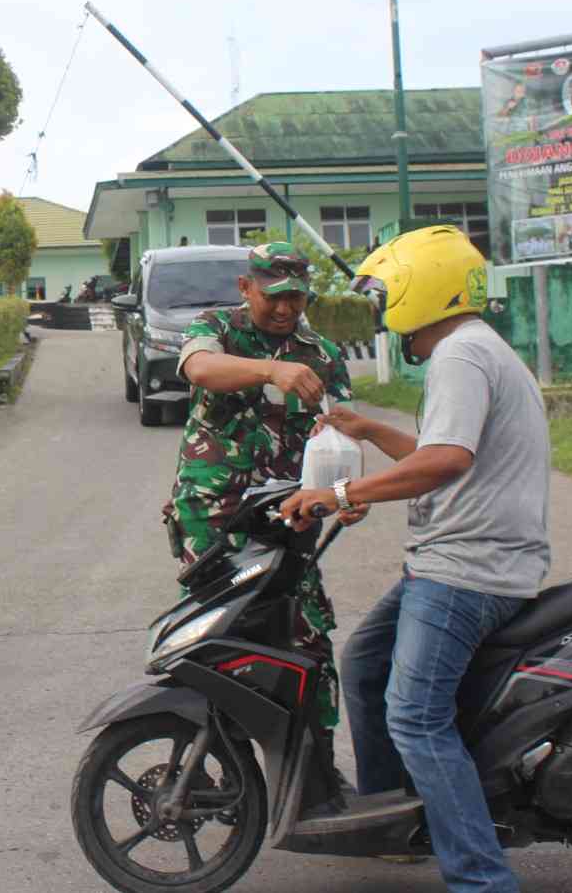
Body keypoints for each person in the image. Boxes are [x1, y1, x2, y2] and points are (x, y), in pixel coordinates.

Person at [280, 225, 550, 893]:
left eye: (386, 292)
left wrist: (338, 492)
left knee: (415, 716)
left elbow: (446, 460)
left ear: (420, 291)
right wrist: (369, 430)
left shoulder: (462, 355)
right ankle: (393, 825)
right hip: (452, 562)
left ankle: (482, 880)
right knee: (365, 666)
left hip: (466, 571)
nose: (380, 307)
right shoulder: (476, 350)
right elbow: (445, 453)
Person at [166, 241, 352, 765]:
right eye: (274, 296)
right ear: (245, 287)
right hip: (214, 519)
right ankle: (218, 766)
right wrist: (270, 371)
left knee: (308, 638)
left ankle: (315, 775)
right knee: (219, 641)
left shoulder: (322, 355)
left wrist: (346, 492)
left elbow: (341, 435)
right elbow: (201, 369)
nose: (286, 309)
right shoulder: (216, 329)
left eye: (297, 296)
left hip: (288, 526)